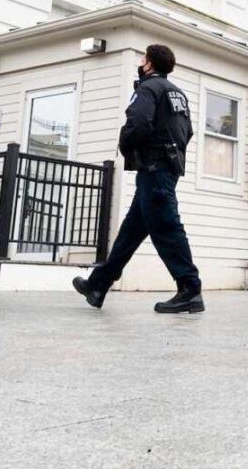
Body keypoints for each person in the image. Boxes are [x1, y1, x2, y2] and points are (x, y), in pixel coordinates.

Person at [72, 43, 204, 314]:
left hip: (155, 169)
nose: (141, 61)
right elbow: (187, 132)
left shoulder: (147, 88)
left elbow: (139, 123)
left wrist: (126, 145)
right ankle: (98, 285)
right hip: (166, 168)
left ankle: (190, 289)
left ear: (149, 64)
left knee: (166, 227)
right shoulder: (177, 93)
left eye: (143, 58)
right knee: (131, 231)